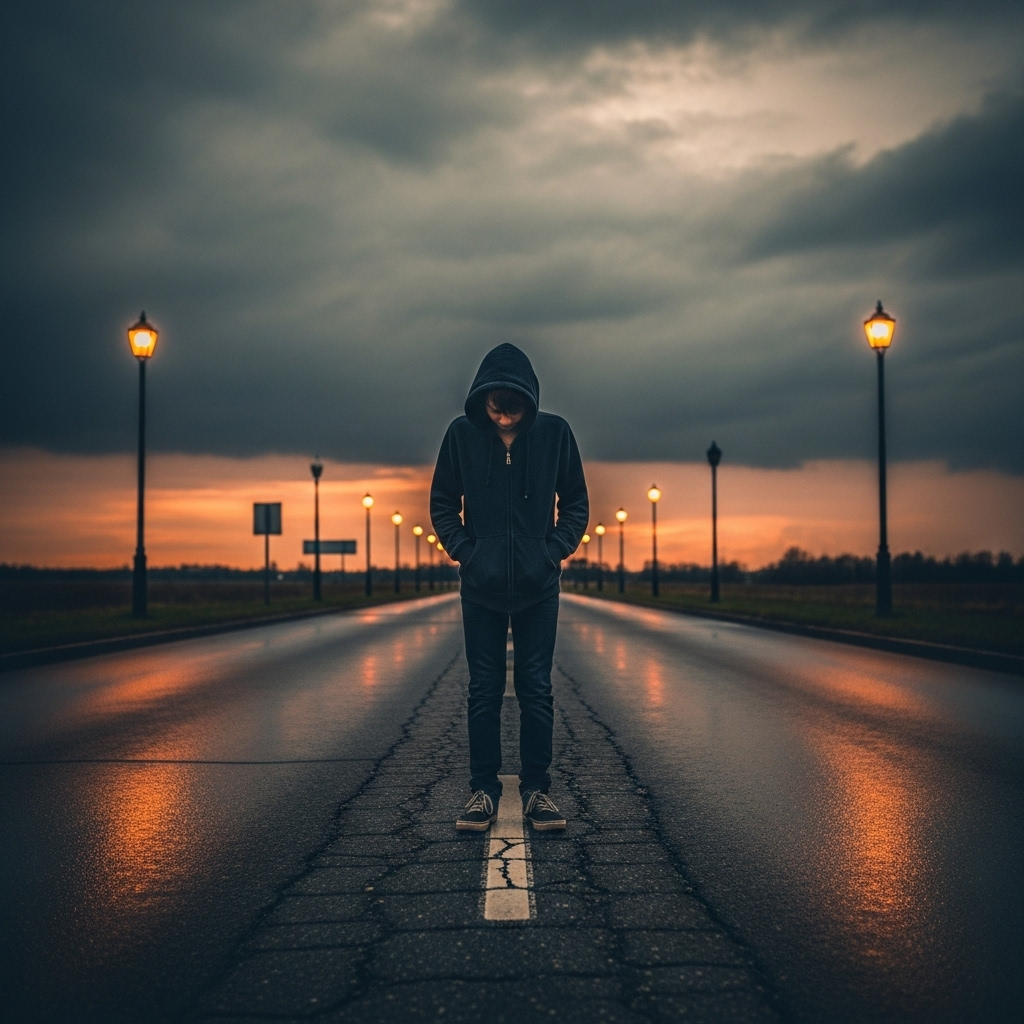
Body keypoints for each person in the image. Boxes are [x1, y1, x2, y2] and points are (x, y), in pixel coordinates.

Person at [430, 343, 589, 831]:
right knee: (484, 689)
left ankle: (538, 791)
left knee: (535, 688)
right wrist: (467, 553)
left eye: (512, 404)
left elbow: (576, 504)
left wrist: (552, 551)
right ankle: (483, 791)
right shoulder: (461, 435)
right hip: (481, 587)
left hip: (538, 587)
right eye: (494, 404)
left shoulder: (555, 434)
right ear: (482, 399)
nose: (502, 414)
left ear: (529, 399)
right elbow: (442, 505)